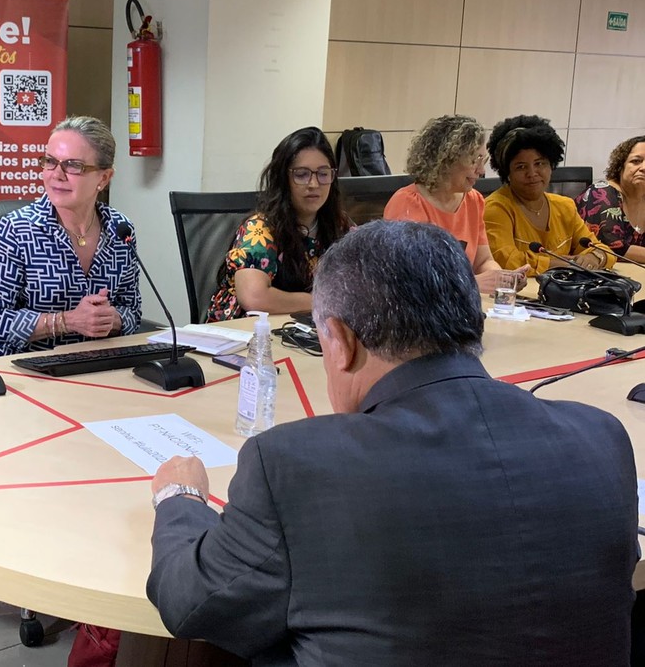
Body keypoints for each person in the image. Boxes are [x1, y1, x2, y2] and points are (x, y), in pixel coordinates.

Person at [146, 219, 638, 666]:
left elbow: (194, 606)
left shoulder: (295, 465)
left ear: (338, 341)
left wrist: (179, 499)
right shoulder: (602, 438)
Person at [0, 115, 141, 357]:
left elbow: (133, 312)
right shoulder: (16, 230)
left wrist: (112, 319)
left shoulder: (120, 229)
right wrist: (67, 321)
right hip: (26, 371)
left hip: (99, 367)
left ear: (103, 178)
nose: (57, 174)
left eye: (74, 165)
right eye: (50, 161)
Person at [206, 127, 351, 322]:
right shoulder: (260, 229)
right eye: (302, 174)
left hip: (303, 330)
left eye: (323, 174)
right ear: (283, 179)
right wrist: (325, 302)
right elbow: (255, 298)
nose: (314, 184)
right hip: (245, 335)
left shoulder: (338, 224)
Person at [383, 114, 526, 293]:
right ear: (446, 160)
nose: (481, 171)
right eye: (475, 160)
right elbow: (414, 281)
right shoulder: (407, 203)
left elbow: (483, 261)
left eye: (483, 160)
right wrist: (473, 284)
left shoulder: (474, 200)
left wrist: (502, 280)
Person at [484, 114, 613, 274]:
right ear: (507, 173)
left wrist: (595, 257)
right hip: (519, 295)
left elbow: (598, 248)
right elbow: (507, 261)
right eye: (521, 167)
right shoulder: (496, 207)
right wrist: (561, 263)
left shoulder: (565, 206)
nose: (532, 173)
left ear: (551, 165)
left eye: (539, 163)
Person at [576, 135, 645, 262]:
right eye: (636, 161)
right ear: (621, 166)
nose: (643, 168)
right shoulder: (602, 193)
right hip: (594, 275)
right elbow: (611, 248)